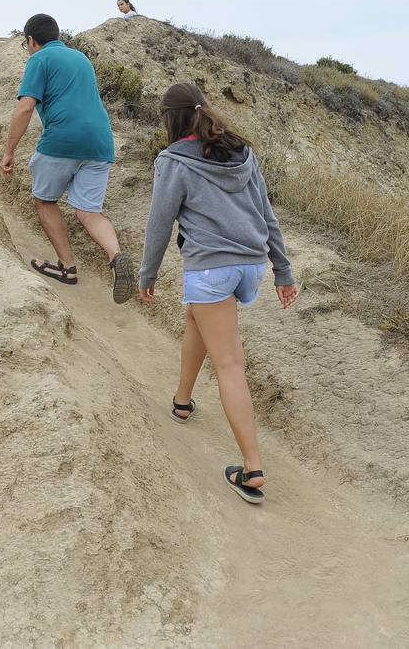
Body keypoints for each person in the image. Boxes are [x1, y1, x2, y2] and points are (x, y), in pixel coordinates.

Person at [137, 82, 299, 505]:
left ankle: (252, 468)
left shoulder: (172, 161)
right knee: (197, 318)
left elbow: (160, 223)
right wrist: (283, 270)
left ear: (171, 119)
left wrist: (147, 273)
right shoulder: (242, 152)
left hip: (211, 267)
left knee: (230, 364)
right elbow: (268, 214)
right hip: (251, 264)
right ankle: (183, 400)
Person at [0, 13, 137, 304]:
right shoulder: (81, 58)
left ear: (30, 41)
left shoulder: (39, 59)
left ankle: (67, 267)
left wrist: (9, 151)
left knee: (45, 200)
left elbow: (25, 108)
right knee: (88, 211)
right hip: (101, 142)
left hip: (62, 139)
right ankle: (116, 256)